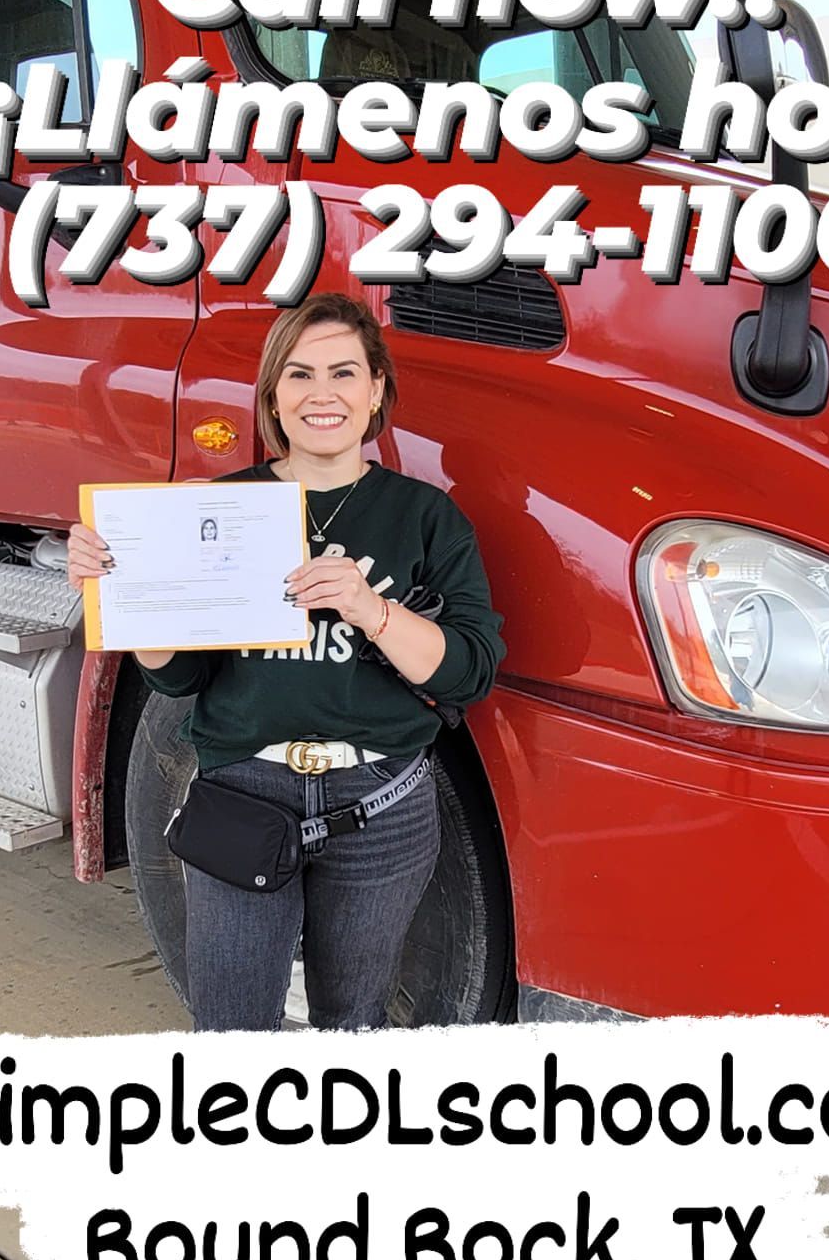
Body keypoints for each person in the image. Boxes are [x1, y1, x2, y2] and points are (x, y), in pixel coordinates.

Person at [68, 294, 504, 1032]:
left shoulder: (425, 517)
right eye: (299, 374)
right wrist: (129, 595)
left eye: (343, 372)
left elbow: (469, 670)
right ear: (273, 395)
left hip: (383, 803)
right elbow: (178, 678)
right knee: (231, 1028)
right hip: (245, 793)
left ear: (376, 392)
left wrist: (374, 610)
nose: (321, 393)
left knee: (353, 1023)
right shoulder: (223, 506)